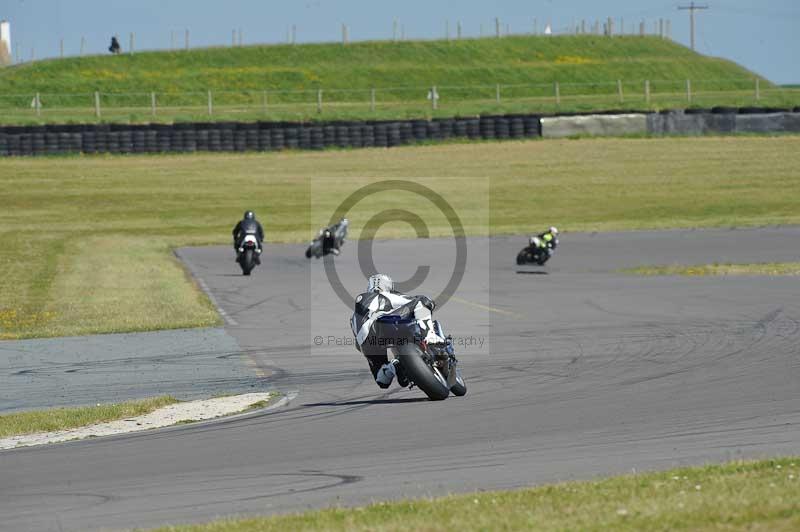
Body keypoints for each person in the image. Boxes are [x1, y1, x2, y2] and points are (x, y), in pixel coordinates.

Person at [350, 274, 447, 389]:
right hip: (383, 327)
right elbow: (412, 301)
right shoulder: (384, 295)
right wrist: (430, 303)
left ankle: (393, 367)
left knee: (382, 381)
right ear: (388, 285)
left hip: (366, 342)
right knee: (421, 301)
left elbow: (357, 341)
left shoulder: (354, 316)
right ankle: (430, 335)